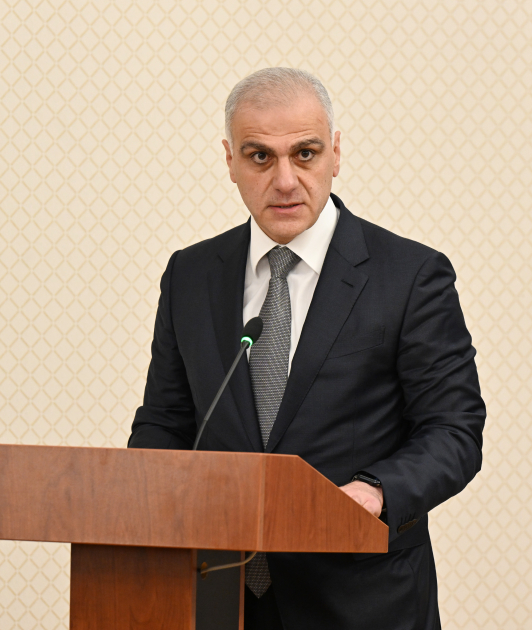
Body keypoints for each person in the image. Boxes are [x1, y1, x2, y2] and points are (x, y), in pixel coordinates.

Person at [128, 67, 486, 630]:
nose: (285, 180)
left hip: (361, 601)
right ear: (230, 161)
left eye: (305, 154)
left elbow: (454, 430)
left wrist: (374, 492)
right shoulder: (189, 275)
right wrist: (137, 499)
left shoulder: (410, 275)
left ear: (335, 154)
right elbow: (165, 422)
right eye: (260, 157)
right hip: (216, 595)